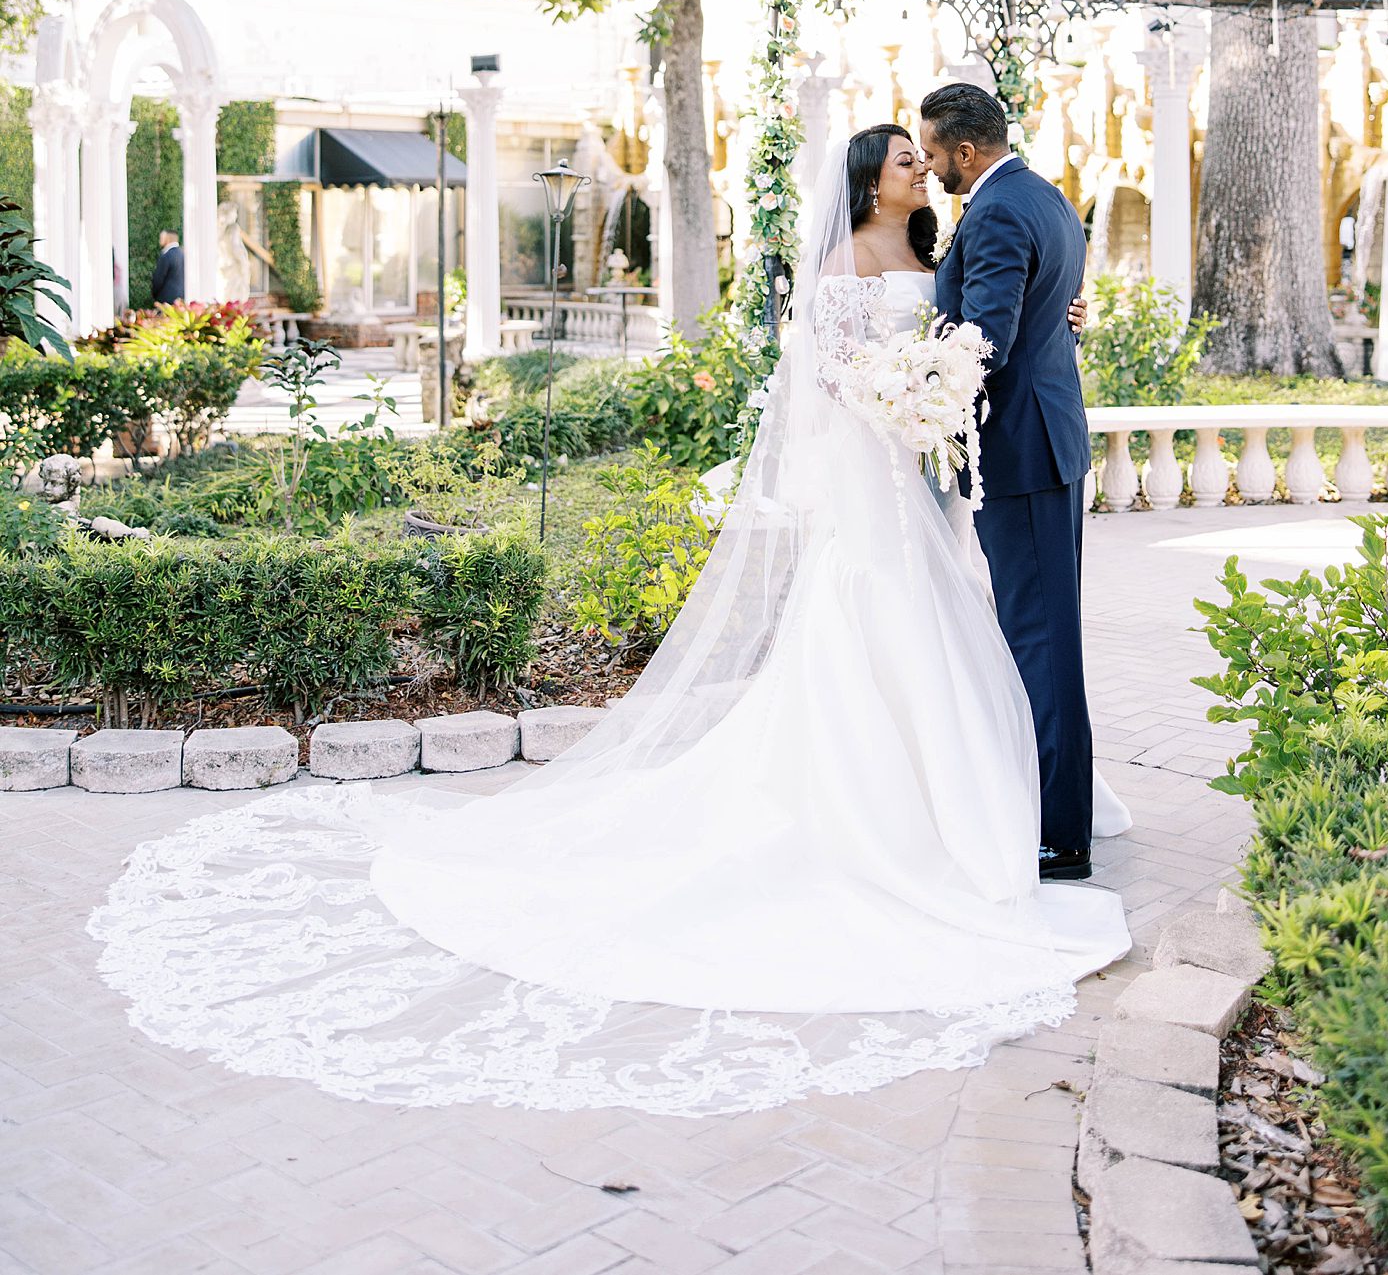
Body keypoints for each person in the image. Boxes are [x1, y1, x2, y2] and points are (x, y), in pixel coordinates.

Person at [91, 125, 1129, 1119]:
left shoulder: (935, 247)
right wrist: (888, 394)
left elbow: (982, 324)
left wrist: (1024, 334)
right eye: (905, 159)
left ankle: (976, 803)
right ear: (868, 181)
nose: (921, 169)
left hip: (932, 469)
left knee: (952, 632)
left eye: (923, 155)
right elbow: (823, 373)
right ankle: (893, 816)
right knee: (875, 624)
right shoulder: (840, 265)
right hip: (876, 470)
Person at [921, 81, 1106, 884]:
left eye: (932, 154)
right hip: (1051, 439)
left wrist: (909, 373)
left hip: (1022, 451)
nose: (929, 169)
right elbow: (1043, 311)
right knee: (1046, 633)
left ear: (967, 150)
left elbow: (981, 343)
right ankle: (1056, 812)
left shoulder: (994, 210)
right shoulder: (1050, 198)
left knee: (1038, 638)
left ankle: (1060, 835)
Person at [149, 229, 185, 306]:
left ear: (167, 239)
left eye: (161, 237)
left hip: (166, 300)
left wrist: (154, 294)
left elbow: (158, 279)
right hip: (181, 299)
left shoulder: (166, 255)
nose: (160, 240)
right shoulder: (182, 253)